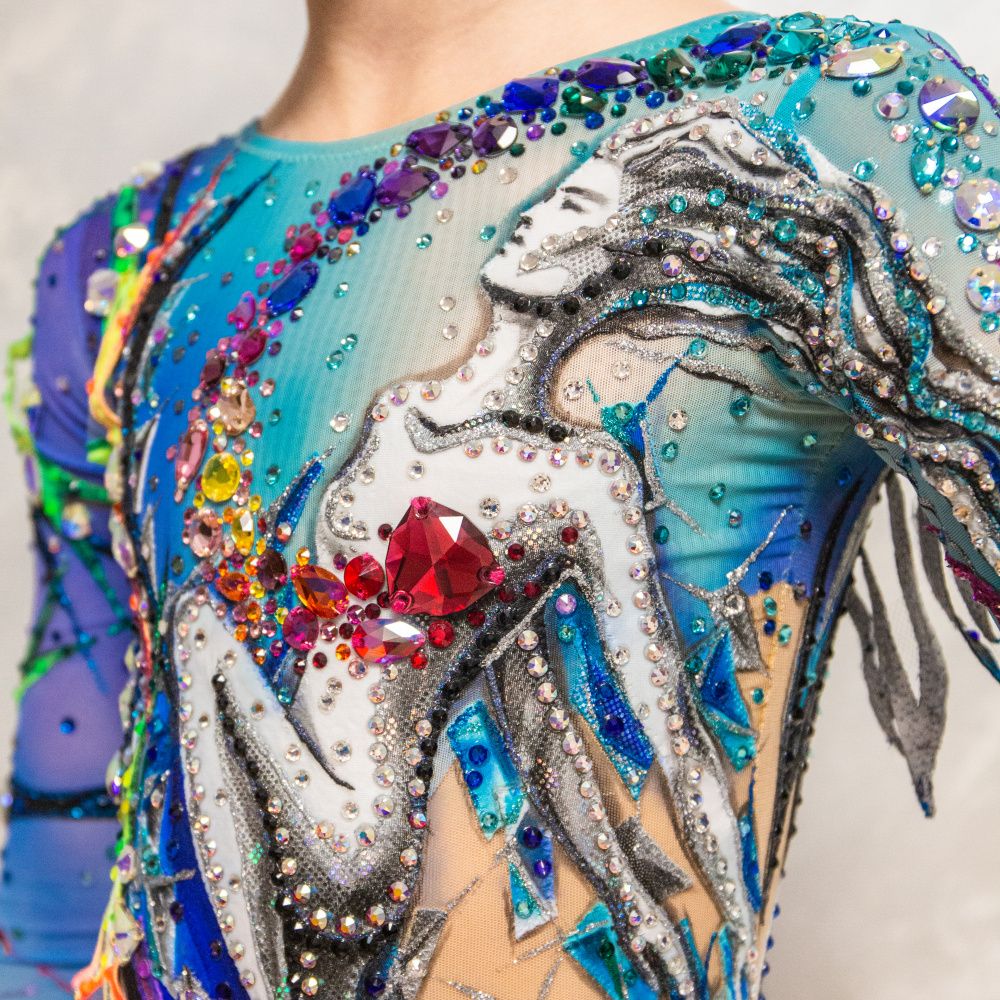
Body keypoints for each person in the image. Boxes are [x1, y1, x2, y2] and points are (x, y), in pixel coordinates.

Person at [2, 2, 998, 998]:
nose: (542, 217)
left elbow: (664, 710)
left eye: (580, 206)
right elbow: (59, 886)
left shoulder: (830, 118)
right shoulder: (123, 268)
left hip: (362, 834)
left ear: (616, 252)